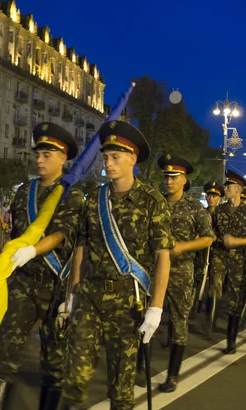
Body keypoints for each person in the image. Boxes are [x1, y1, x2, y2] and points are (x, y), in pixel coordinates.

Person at [61, 120, 173, 409]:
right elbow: (81, 247)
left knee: (120, 390)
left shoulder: (152, 201)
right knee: (74, 375)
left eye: (115, 157)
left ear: (132, 159)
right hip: (90, 296)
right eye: (105, 157)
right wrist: (73, 290)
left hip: (128, 302)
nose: (107, 164)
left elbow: (163, 256)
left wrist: (156, 308)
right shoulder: (94, 200)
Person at [0, 123, 84, 410]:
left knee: (53, 362)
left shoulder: (72, 195)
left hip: (56, 286)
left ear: (63, 157)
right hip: (23, 284)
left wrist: (34, 250)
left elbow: (62, 234)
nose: (39, 159)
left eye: (47, 154)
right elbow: (17, 234)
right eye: (38, 153)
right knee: (5, 353)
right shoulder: (23, 192)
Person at [155, 154, 213, 392]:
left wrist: (183, 247)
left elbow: (208, 238)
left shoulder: (194, 208)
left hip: (181, 271)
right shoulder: (155, 203)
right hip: (154, 269)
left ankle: (173, 374)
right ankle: (137, 364)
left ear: (184, 179)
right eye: (166, 177)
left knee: (179, 321)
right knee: (144, 316)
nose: (169, 181)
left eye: (174, 177)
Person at [208, 170, 246, 355]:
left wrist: (238, 242)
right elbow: (211, 230)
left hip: (238, 259)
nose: (225, 189)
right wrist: (211, 236)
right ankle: (211, 308)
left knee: (235, 301)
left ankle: (231, 340)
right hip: (220, 254)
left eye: (228, 186)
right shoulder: (219, 210)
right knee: (216, 281)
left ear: (237, 189)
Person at [193, 181, 222, 327]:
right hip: (201, 252)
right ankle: (192, 310)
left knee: (214, 285)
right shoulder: (201, 212)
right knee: (195, 280)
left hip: (217, 253)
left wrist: (216, 238)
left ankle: (211, 319)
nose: (211, 198)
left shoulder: (222, 214)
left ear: (220, 199)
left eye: (214, 196)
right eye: (209, 195)